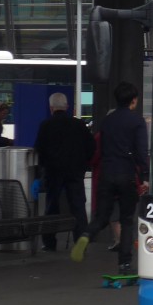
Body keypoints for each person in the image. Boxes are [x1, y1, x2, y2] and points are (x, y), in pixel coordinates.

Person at [72, 81, 150, 274]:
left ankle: (87, 234)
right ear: (134, 101)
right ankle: (124, 264)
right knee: (126, 220)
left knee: (102, 217)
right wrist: (146, 176)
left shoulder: (107, 121)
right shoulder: (137, 121)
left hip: (106, 174)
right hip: (126, 175)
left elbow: (100, 148)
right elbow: (141, 152)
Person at [34, 92, 96, 252]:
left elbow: (39, 149)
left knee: (51, 207)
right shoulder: (79, 125)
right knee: (78, 206)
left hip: (53, 172)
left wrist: (45, 165)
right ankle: (81, 238)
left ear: (51, 108)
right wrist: (83, 163)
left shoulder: (45, 125)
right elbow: (91, 146)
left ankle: (49, 242)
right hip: (75, 171)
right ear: (68, 107)